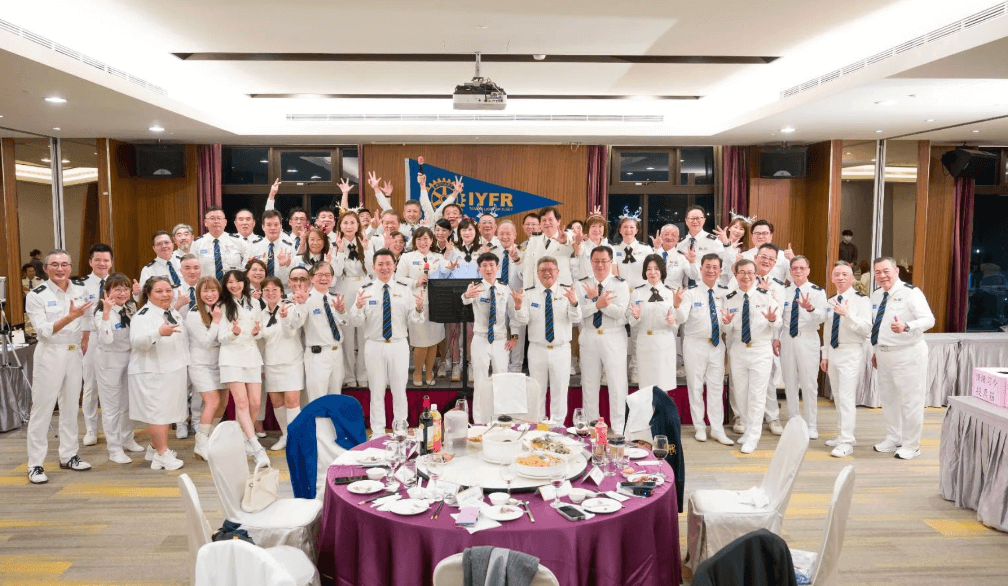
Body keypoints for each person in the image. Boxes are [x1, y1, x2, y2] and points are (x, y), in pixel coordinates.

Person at [24, 250, 93, 484]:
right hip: (50, 353)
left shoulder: (80, 289)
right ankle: (35, 464)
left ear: (70, 267)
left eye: (64, 264)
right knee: (42, 409)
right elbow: (43, 331)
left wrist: (84, 338)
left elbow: (87, 317)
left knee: (71, 407)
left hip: (74, 352)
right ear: (45, 268)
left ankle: (69, 455)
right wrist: (70, 317)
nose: (60, 269)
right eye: (54, 264)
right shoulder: (36, 295)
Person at [349, 249, 425, 435]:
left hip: (398, 345)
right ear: (373, 266)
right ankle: (377, 432)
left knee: (399, 390)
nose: (384, 268)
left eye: (388, 264)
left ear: (395, 265)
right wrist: (358, 307)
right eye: (380, 264)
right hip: (374, 345)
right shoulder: (365, 291)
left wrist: (418, 309)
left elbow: (415, 321)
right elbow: (356, 322)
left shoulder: (404, 289)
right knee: (376, 391)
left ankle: (400, 429)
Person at [869, 257, 935, 460]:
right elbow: (877, 326)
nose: (882, 275)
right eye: (878, 272)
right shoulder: (876, 295)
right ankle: (894, 437)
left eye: (886, 271)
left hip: (908, 353)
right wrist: (875, 351)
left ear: (896, 271)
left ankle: (912, 445)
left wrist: (907, 326)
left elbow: (929, 319)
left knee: (910, 401)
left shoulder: (911, 292)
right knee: (888, 400)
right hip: (884, 354)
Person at [130, 276, 190, 471]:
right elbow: (136, 341)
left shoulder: (172, 312)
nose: (165, 294)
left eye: (168, 290)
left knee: (167, 412)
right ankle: (162, 454)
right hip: (153, 372)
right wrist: (158, 333)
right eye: (159, 291)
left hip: (172, 369)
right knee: (158, 414)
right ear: (148, 294)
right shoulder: (143, 315)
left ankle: (155, 449)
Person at [722, 259, 780, 454]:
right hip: (738, 349)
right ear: (736, 275)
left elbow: (777, 323)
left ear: (756, 275)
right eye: (742, 272)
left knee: (757, 395)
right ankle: (747, 431)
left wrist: (772, 320)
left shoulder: (766, 296)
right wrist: (727, 323)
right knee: (741, 394)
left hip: (760, 349)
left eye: (750, 272)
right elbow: (726, 329)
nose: (746, 276)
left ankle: (753, 437)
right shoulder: (729, 298)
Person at [674, 253, 733, 445]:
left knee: (716, 388)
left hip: (717, 345)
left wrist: (727, 323)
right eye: (707, 266)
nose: (711, 270)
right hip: (694, 344)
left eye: (715, 267)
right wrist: (676, 305)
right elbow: (681, 318)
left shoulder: (725, 293)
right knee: (696, 386)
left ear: (720, 271)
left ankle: (717, 429)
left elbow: (727, 326)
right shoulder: (690, 293)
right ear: (701, 269)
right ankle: (699, 427)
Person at [514, 256, 581, 422]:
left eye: (551, 270)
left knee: (560, 391)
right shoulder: (529, 294)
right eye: (543, 270)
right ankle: (538, 425)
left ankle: (558, 426)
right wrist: (518, 306)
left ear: (558, 272)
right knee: (537, 391)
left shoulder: (568, 292)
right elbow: (523, 320)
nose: (547, 273)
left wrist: (574, 303)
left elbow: (576, 318)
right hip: (537, 349)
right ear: (537, 273)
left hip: (561, 350)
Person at [216, 269, 270, 467]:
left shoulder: (255, 303)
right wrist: (234, 333)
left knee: (255, 403)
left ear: (244, 283)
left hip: (252, 356)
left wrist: (256, 333)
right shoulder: (222, 305)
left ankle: (243, 438)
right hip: (231, 357)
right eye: (230, 282)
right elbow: (220, 337)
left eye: (237, 281)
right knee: (241, 403)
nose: (234, 285)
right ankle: (256, 446)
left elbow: (260, 332)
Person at [820, 261, 871, 458]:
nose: (840, 277)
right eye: (837, 274)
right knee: (838, 397)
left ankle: (847, 441)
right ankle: (843, 434)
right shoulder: (831, 301)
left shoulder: (861, 300)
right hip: (834, 352)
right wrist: (825, 355)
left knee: (847, 397)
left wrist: (847, 314)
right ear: (832, 278)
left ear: (852, 278)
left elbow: (866, 329)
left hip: (851, 351)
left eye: (844, 274)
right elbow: (827, 331)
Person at [577, 245, 631, 433]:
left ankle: (619, 428)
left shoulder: (620, 284)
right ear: (590, 262)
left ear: (611, 262)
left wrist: (597, 302)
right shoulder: (582, 284)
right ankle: (593, 426)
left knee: (617, 384)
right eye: (596, 261)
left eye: (604, 261)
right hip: (589, 335)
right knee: (589, 384)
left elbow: (619, 312)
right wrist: (597, 304)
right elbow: (578, 313)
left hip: (613, 336)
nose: (600, 265)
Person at [93, 273, 143, 464]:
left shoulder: (130, 307)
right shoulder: (100, 313)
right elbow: (107, 339)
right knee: (111, 406)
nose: (122, 293)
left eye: (125, 289)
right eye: (117, 289)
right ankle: (114, 448)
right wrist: (106, 312)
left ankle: (127, 438)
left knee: (128, 403)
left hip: (130, 358)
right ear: (107, 292)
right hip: (109, 361)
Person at [776, 256, 827, 439]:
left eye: (802, 268)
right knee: (789, 382)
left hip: (808, 338)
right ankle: (793, 421)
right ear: (790, 271)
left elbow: (823, 317)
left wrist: (810, 308)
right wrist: (775, 338)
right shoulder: (784, 291)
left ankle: (811, 424)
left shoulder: (817, 292)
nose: (798, 271)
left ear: (808, 270)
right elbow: (780, 317)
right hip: (787, 339)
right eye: (795, 268)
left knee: (809, 383)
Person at [462, 252, 521, 389]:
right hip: (480, 339)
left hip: (500, 340)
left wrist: (514, 337)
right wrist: (466, 295)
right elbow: (465, 300)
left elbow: (513, 315)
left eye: (491, 265)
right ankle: (479, 404)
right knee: (480, 380)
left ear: (498, 267)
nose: (488, 269)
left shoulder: (505, 288)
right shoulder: (474, 287)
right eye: (484, 265)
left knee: (501, 379)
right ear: (479, 269)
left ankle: (499, 404)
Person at [260, 276, 306, 451]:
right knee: (277, 402)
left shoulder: (290, 307)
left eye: (275, 289)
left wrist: (285, 318)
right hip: (271, 362)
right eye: (267, 290)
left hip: (291, 361)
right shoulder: (262, 314)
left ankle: (295, 438)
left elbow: (290, 332)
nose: (270, 293)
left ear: (281, 291)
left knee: (292, 401)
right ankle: (286, 434)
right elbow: (261, 340)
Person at [396, 227, 446, 386]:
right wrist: (415, 282)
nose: (422, 242)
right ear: (414, 241)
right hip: (416, 304)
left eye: (426, 239)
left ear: (431, 240)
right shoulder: (407, 257)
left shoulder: (439, 257)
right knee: (420, 342)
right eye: (419, 239)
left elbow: (446, 276)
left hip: (436, 303)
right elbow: (398, 278)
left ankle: (429, 371)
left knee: (433, 341)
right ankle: (417, 372)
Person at [185, 276, 227, 461]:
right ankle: (200, 443)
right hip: (200, 364)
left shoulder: (222, 309)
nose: (209, 294)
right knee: (212, 402)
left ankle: (211, 438)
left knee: (222, 403)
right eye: (205, 291)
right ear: (199, 293)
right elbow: (206, 342)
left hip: (220, 363)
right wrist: (216, 320)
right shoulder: (194, 313)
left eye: (213, 290)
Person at [332, 210, 374, 387]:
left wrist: (367, 249)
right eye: (345, 223)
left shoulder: (366, 242)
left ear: (358, 226)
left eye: (352, 223)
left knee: (365, 335)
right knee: (347, 336)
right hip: (344, 287)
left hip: (364, 288)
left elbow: (372, 270)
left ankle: (363, 375)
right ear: (340, 226)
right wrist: (341, 251)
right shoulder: (334, 245)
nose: (349, 226)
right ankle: (349, 376)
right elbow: (335, 272)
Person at [298, 263, 348, 401]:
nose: (324, 278)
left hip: (337, 353)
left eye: (327, 275)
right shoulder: (305, 299)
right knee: (317, 399)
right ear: (311, 278)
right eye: (320, 275)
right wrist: (300, 305)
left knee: (335, 398)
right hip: (317, 355)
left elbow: (346, 322)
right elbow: (297, 324)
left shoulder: (335, 298)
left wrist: (341, 311)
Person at [80, 243, 115, 447]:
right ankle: (91, 429)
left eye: (106, 260)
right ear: (90, 262)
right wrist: (84, 338)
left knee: (114, 385)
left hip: (113, 337)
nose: (102, 263)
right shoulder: (81, 285)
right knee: (90, 385)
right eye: (98, 260)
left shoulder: (118, 282)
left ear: (111, 262)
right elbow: (82, 314)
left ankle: (116, 429)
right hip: (92, 336)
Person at [628, 254, 677, 391]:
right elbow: (631, 321)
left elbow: (678, 319)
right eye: (648, 269)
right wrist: (636, 316)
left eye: (656, 268)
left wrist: (672, 320)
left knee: (664, 386)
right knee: (646, 387)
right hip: (645, 342)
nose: (652, 272)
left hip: (664, 342)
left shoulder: (671, 293)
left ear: (662, 270)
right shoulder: (637, 293)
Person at [490, 221, 525, 374]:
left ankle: (516, 366)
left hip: (516, 298)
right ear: (497, 235)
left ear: (515, 235)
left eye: (508, 233)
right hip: (497, 299)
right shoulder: (491, 252)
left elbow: (527, 277)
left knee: (518, 333)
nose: (504, 237)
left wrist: (518, 261)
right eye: (501, 233)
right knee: (499, 331)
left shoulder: (523, 251)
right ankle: (500, 366)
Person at [192, 206, 247, 282]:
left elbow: (247, 264)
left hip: (232, 286)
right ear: (205, 223)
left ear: (225, 222)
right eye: (212, 218)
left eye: (219, 218)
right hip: (207, 286)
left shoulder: (238, 241)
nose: (216, 221)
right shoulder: (196, 243)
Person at [522, 207, 574, 286]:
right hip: (540, 287)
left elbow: (576, 247)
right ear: (540, 224)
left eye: (550, 219)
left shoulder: (567, 236)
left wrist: (565, 241)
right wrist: (527, 289)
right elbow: (528, 269)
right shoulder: (533, 241)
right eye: (544, 220)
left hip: (562, 287)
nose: (547, 223)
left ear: (558, 221)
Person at [678, 206, 726, 287]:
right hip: (685, 289)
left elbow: (723, 266)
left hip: (707, 287)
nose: (695, 221)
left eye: (698, 218)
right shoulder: (680, 243)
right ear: (686, 220)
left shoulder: (713, 241)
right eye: (692, 218)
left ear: (704, 220)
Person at [247, 210, 295, 288]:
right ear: (263, 226)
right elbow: (246, 271)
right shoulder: (253, 246)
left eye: (276, 224)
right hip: (258, 289)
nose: (273, 228)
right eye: (268, 225)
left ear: (281, 226)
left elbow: (293, 276)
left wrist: (283, 265)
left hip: (282, 289)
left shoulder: (289, 247)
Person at [653, 224, 688, 290]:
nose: (669, 237)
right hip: (654, 293)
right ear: (661, 236)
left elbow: (693, 276)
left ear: (678, 239)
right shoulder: (652, 253)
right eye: (666, 234)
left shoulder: (683, 257)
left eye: (673, 235)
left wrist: (692, 262)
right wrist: (656, 249)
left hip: (674, 294)